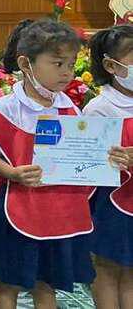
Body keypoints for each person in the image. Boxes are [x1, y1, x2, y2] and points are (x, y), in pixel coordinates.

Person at [0, 18, 125, 308]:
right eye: (58, 64)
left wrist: (108, 158)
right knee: (8, 280)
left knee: (47, 281)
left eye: (70, 64)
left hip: (57, 211)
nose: (67, 72)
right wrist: (13, 173)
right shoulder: (8, 107)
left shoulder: (69, 108)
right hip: (18, 207)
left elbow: (86, 156)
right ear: (26, 63)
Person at [83, 26, 133, 309]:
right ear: (111, 66)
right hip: (111, 202)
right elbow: (85, 160)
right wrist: (115, 159)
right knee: (108, 265)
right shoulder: (99, 108)